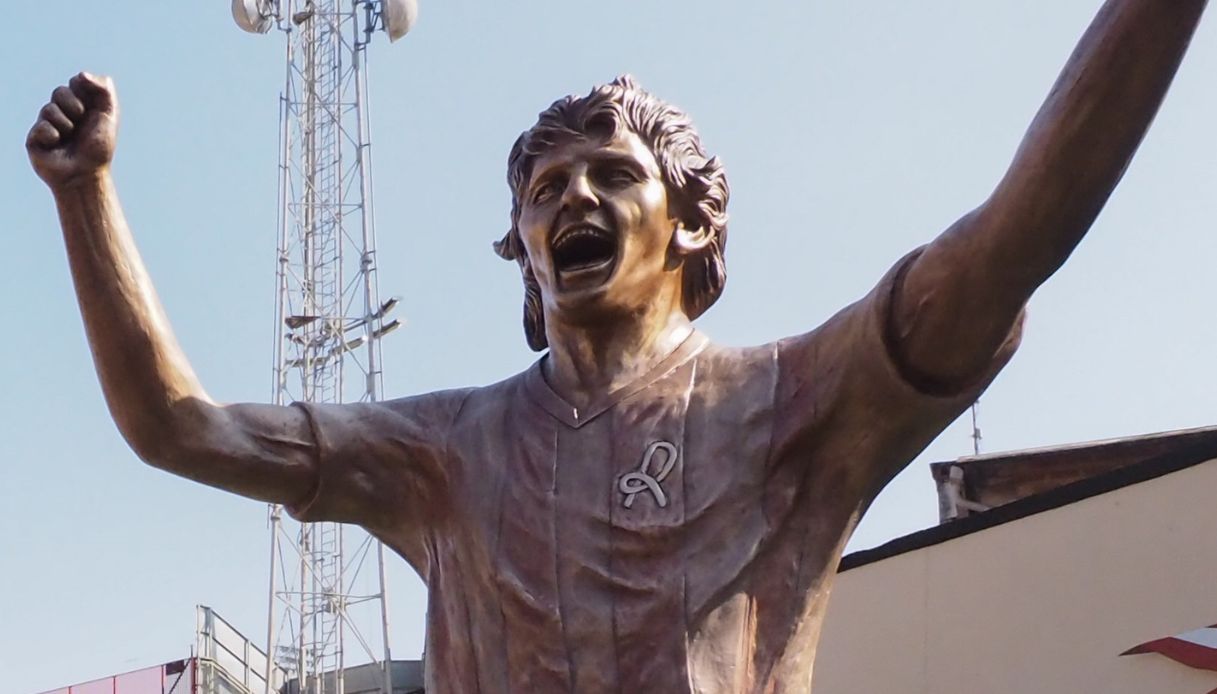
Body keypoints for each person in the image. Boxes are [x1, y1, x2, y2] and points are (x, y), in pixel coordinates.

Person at [26, 1, 1209, 691]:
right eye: (541, 189)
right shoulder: (445, 451)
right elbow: (179, 425)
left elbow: (1010, 242)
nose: (566, 200)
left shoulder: (794, 399)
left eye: (608, 174)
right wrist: (88, 197)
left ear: (688, 218)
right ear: (522, 250)